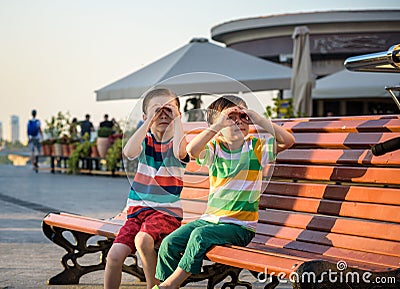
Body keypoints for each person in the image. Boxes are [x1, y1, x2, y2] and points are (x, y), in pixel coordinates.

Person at [154, 95, 295, 289]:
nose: (239, 121)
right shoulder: (215, 148)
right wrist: (218, 124)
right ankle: (167, 284)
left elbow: (288, 140)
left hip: (240, 226)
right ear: (218, 129)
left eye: (243, 116)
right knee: (169, 243)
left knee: (200, 236)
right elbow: (192, 150)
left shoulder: (255, 147)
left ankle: (169, 285)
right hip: (210, 220)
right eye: (231, 118)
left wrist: (258, 118)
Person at [104, 88, 189, 289]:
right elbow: (129, 151)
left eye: (168, 109)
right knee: (114, 256)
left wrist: (176, 120)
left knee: (143, 240)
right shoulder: (145, 142)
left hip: (166, 214)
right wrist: (148, 122)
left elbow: (180, 152)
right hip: (136, 214)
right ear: (146, 116)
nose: (163, 114)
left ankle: (153, 287)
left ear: (178, 114)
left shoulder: (179, 145)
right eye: (157, 110)